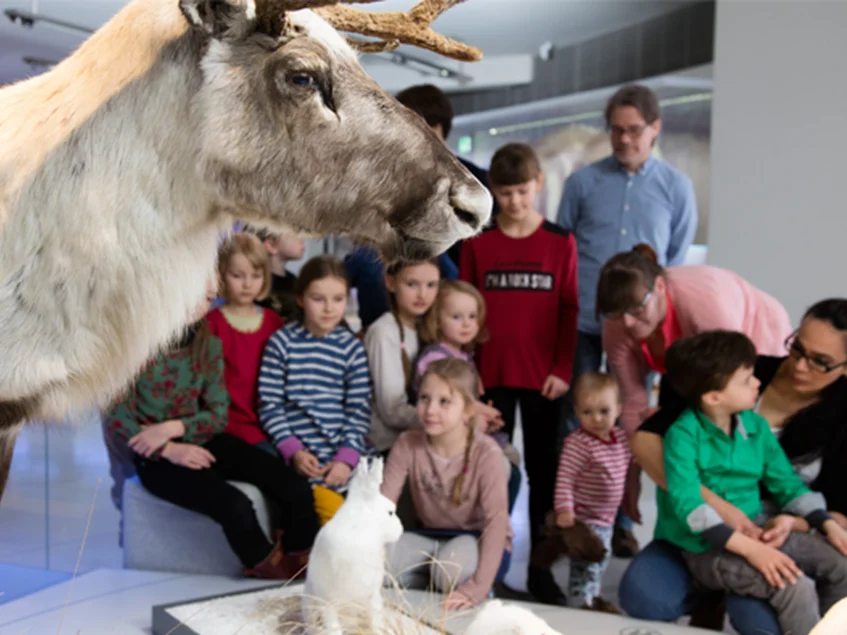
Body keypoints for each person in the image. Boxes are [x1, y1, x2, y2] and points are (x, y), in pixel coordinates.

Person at [620, 298, 847, 634]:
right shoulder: (685, 432)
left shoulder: (752, 427)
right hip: (706, 540)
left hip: (763, 528)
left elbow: (787, 483)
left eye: (820, 362)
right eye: (798, 349)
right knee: (790, 587)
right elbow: (690, 505)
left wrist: (822, 523)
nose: (799, 366)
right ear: (713, 396)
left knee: (840, 566)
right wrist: (745, 540)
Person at [556, 83, 698, 556]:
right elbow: (566, 251)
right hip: (584, 323)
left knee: (625, 420)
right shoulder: (582, 183)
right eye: (616, 130)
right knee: (576, 421)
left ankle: (618, 521)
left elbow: (672, 265)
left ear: (655, 128)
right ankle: (565, 518)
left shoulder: (676, 187)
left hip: (636, 332)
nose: (623, 140)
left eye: (634, 131)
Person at [105, 281, 319, 579]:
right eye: (192, 294)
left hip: (204, 437)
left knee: (292, 485)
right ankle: (275, 575)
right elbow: (116, 418)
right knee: (235, 505)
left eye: (206, 298)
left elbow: (217, 414)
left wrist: (171, 428)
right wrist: (168, 448)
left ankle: (306, 566)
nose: (198, 306)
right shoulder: (134, 346)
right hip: (154, 456)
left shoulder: (207, 343)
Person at [598, 243, 792, 549]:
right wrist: (631, 479)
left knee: (723, 439)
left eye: (637, 310)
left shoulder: (706, 303)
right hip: (687, 362)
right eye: (616, 315)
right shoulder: (618, 326)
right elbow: (633, 403)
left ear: (660, 287)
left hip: (754, 343)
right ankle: (682, 537)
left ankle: (746, 525)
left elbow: (724, 387)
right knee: (668, 439)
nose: (628, 323)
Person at [460, 142, 578, 605]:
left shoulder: (559, 241)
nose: (513, 202)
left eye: (522, 192)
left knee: (546, 472)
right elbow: (467, 310)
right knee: (491, 471)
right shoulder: (480, 242)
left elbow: (569, 309)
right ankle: (491, 565)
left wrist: (564, 368)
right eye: (505, 193)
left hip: (545, 378)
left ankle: (541, 567)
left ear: (538, 185)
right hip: (491, 377)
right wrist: (471, 374)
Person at [382, 358, 512, 610]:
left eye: (444, 402)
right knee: (378, 563)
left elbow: (496, 523)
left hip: (476, 539)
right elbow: (383, 505)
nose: (430, 410)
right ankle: (431, 580)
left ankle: (442, 581)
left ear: (468, 410)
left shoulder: (487, 454)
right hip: (429, 536)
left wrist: (478, 587)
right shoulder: (407, 443)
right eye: (424, 398)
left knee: (452, 571)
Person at [257, 255, 372, 526]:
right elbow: (269, 405)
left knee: (368, 521)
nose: (329, 308)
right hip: (301, 462)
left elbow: (358, 410)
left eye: (338, 299)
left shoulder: (351, 349)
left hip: (344, 460)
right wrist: (293, 450)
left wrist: (346, 459)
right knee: (330, 518)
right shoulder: (281, 343)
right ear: (300, 299)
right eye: (318, 299)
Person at [415, 280, 520, 512]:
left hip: (466, 431)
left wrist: (484, 416)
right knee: (510, 472)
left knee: (512, 458)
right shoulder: (436, 359)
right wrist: (480, 413)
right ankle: (491, 526)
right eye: (456, 317)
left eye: (472, 316)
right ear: (436, 319)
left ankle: (494, 524)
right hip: (445, 439)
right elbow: (446, 402)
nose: (467, 324)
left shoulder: (464, 355)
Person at [394, 83, 499, 267]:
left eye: (427, 128)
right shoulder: (393, 180)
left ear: (440, 128)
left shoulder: (476, 181)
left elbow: (491, 238)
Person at [552, 372, 629, 612]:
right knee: (585, 566)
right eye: (587, 412)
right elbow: (565, 479)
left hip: (607, 519)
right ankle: (579, 606)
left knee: (600, 563)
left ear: (618, 409)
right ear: (576, 412)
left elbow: (634, 459)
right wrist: (564, 510)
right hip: (585, 519)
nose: (596, 419)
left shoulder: (621, 438)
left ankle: (592, 598)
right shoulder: (578, 443)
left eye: (604, 411)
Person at [206, 233, 285, 451]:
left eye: (256, 275)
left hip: (271, 426)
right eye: (237, 275)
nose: (248, 284)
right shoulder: (211, 324)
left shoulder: (274, 323)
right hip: (225, 429)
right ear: (222, 274)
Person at [365, 259, 441, 455]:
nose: (422, 294)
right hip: (388, 445)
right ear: (390, 283)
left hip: (421, 435)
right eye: (411, 284)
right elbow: (392, 411)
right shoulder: (383, 332)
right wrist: (450, 419)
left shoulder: (424, 329)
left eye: (431, 285)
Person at [253, 228, 306, 323]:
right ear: (271, 245)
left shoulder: (295, 281)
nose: (302, 239)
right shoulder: (257, 284)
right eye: (295, 233)